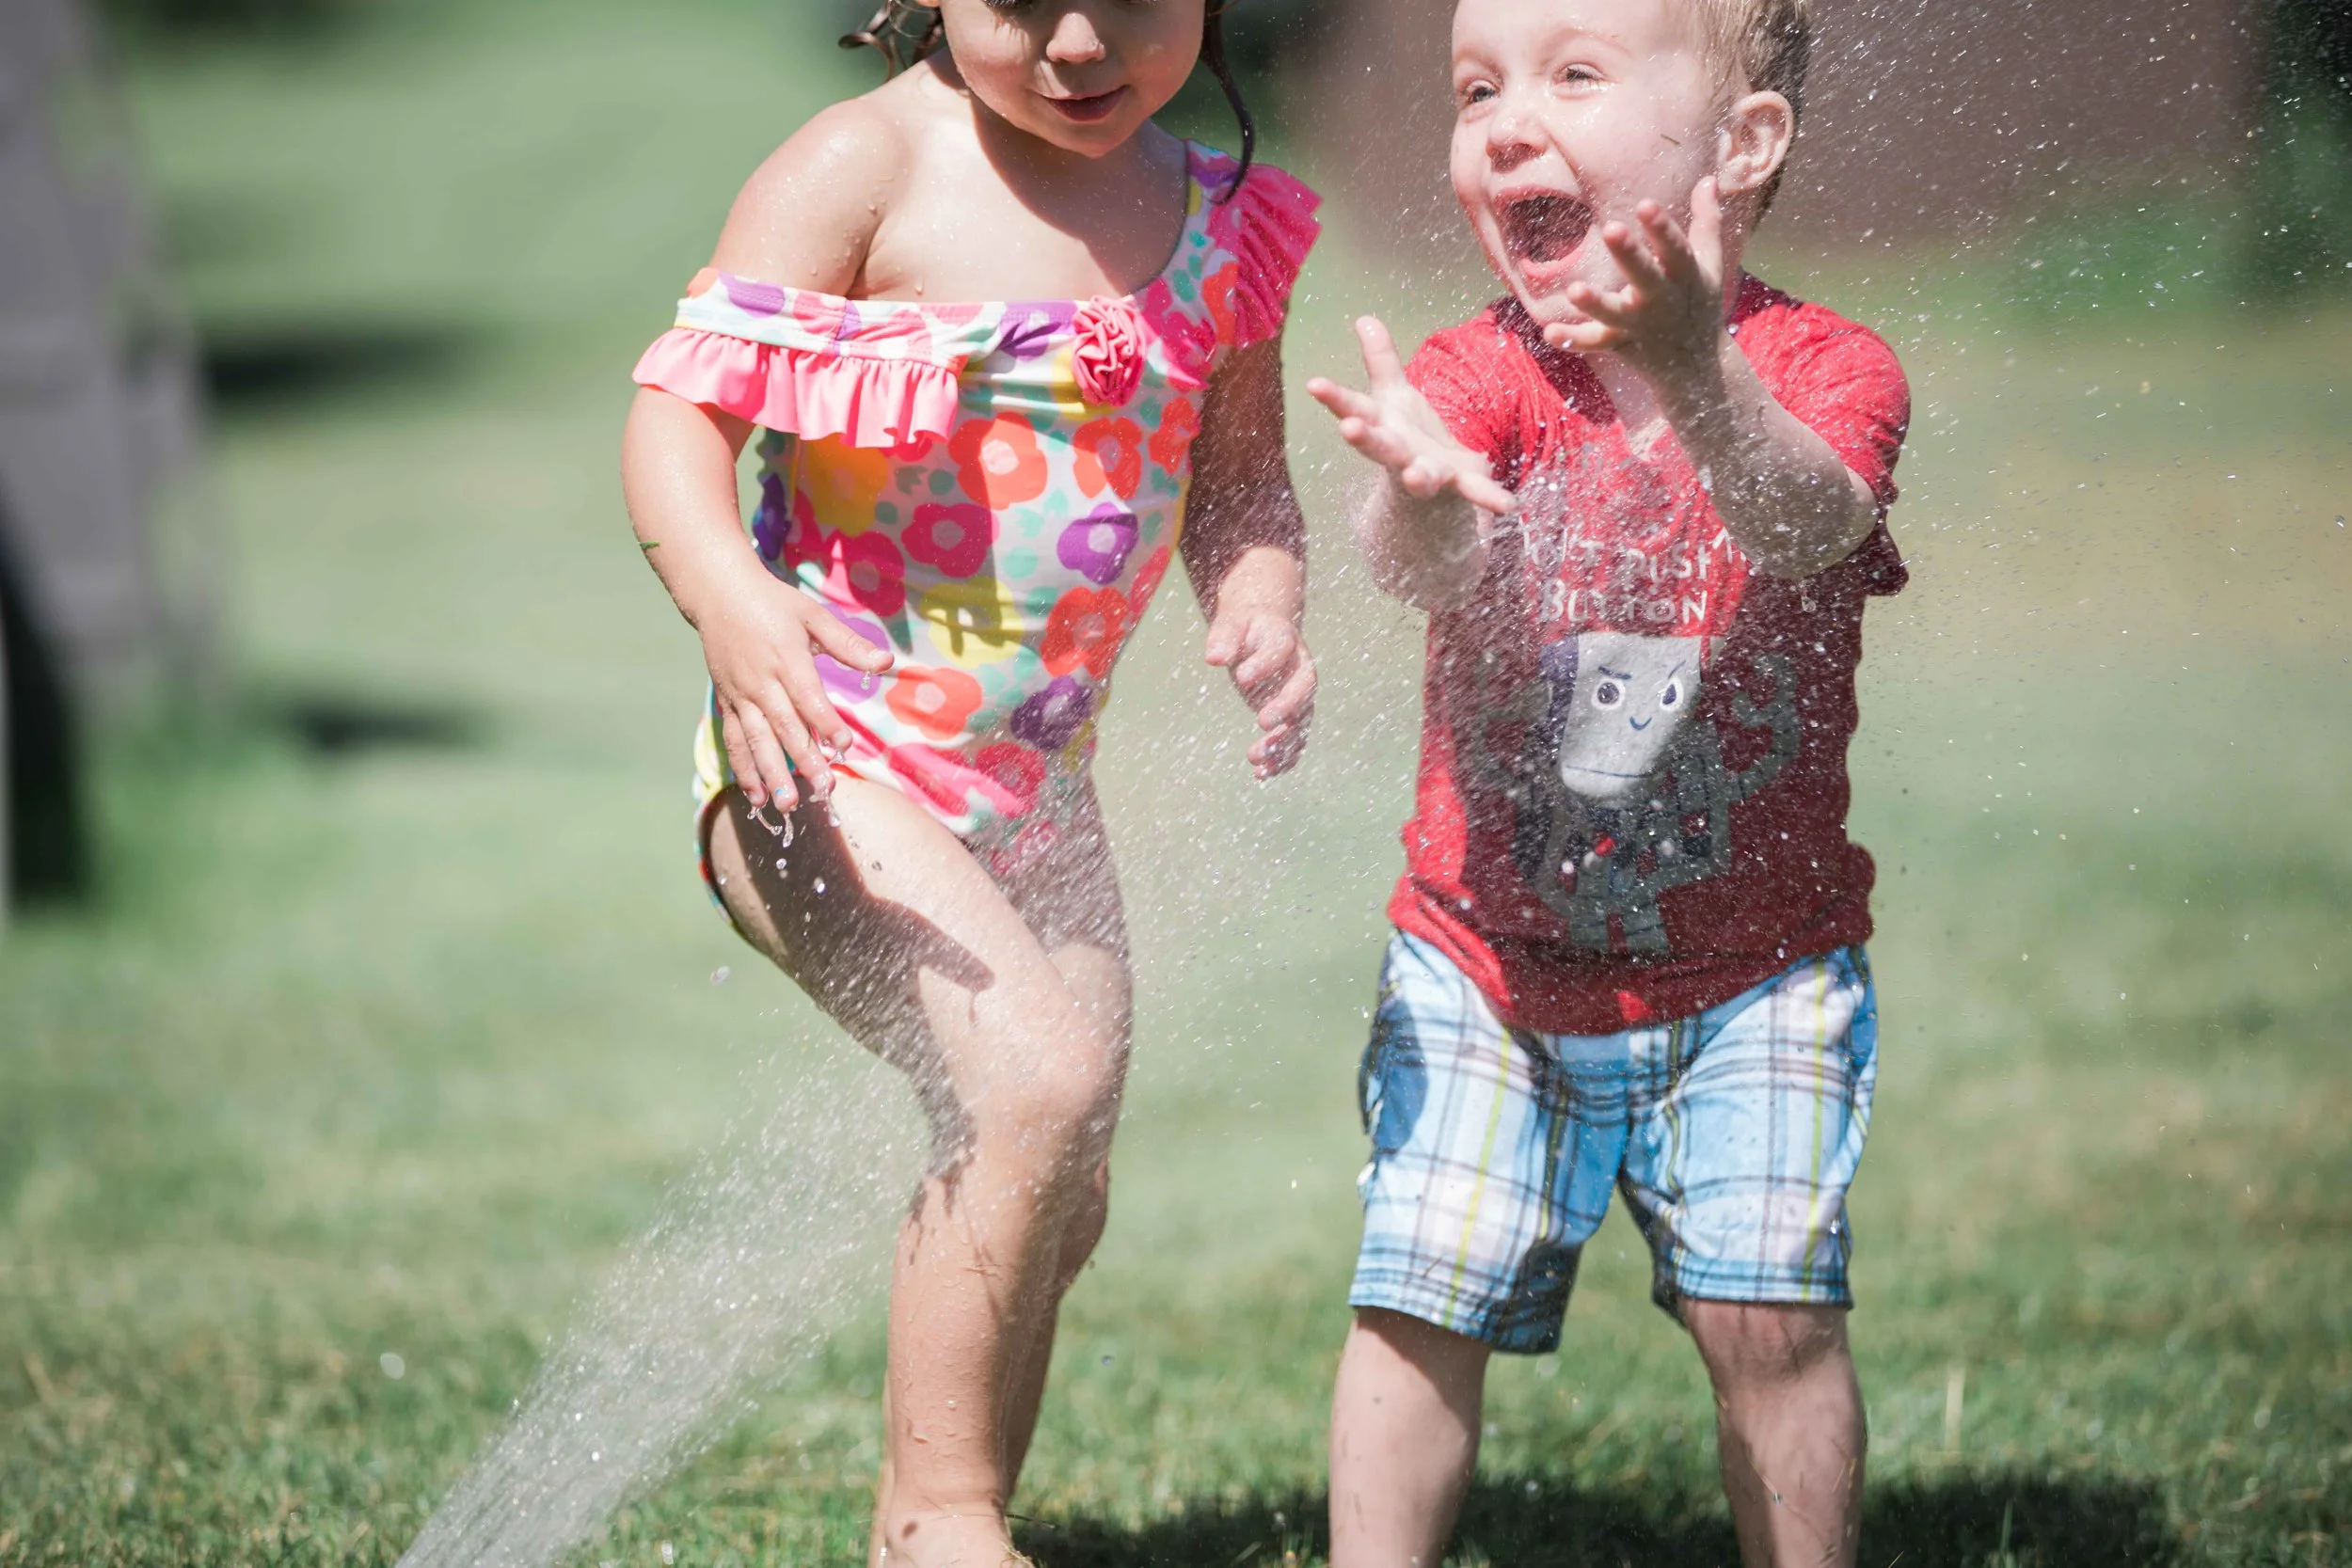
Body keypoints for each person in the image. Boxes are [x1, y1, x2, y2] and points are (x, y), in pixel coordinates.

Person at [618, 3, 1321, 1561]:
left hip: (1040, 799)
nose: (1080, 42)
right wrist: (730, 599)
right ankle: (943, 1516)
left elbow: (1243, 482)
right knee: (1037, 1088)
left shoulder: (1216, 213)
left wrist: (1261, 597)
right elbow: (676, 422)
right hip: (824, 764)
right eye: (1024, 2)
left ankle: (937, 1510)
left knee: (1063, 1173)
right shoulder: (862, 169)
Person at [1306, 0, 1910, 1562]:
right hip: (1484, 963)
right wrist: (1421, 498)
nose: (1507, 120)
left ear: (1743, 143)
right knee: (1415, 1300)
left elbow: (1805, 523)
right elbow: (1418, 557)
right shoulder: (1482, 367)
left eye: (1573, 76)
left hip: (1759, 968)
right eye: (1476, 89)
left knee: (1770, 1321)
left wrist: (1693, 370)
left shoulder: (1828, 365)